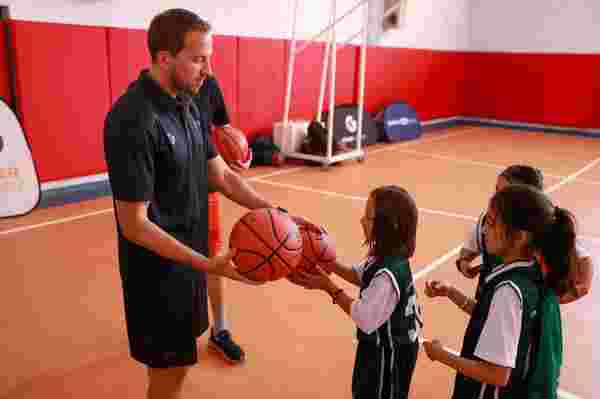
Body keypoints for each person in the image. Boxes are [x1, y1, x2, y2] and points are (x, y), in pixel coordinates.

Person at [103, 9, 279, 398]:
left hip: (190, 263)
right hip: (157, 275)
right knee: (167, 377)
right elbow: (133, 224)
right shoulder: (132, 119)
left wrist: (275, 214)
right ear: (164, 58)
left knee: (180, 367)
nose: (207, 70)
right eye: (198, 59)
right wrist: (207, 265)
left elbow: (220, 175)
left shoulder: (191, 103)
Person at [423, 184, 576, 398]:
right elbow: (498, 321)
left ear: (521, 236)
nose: (484, 230)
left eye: (492, 224)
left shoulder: (508, 290)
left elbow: (496, 374)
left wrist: (441, 355)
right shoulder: (533, 274)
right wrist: (452, 293)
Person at [291, 185, 422, 399]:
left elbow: (364, 318)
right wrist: (326, 262)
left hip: (389, 354)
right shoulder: (385, 255)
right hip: (381, 346)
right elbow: (359, 275)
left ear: (389, 226)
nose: (362, 221)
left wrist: (329, 287)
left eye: (369, 218)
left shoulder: (387, 276)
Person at [456, 165, 593, 303]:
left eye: (505, 192)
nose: (496, 196)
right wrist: (464, 261)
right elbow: (472, 246)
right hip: (491, 299)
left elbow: (583, 263)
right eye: (496, 189)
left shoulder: (544, 229)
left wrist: (554, 300)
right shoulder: (489, 221)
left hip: (519, 305)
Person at [193, 61, 251, 364]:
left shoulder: (211, 86)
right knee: (171, 260)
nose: (205, 65)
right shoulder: (159, 99)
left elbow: (224, 130)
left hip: (207, 189)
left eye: (207, 57)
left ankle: (220, 330)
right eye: (198, 57)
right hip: (169, 194)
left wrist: (239, 153)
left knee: (213, 260)